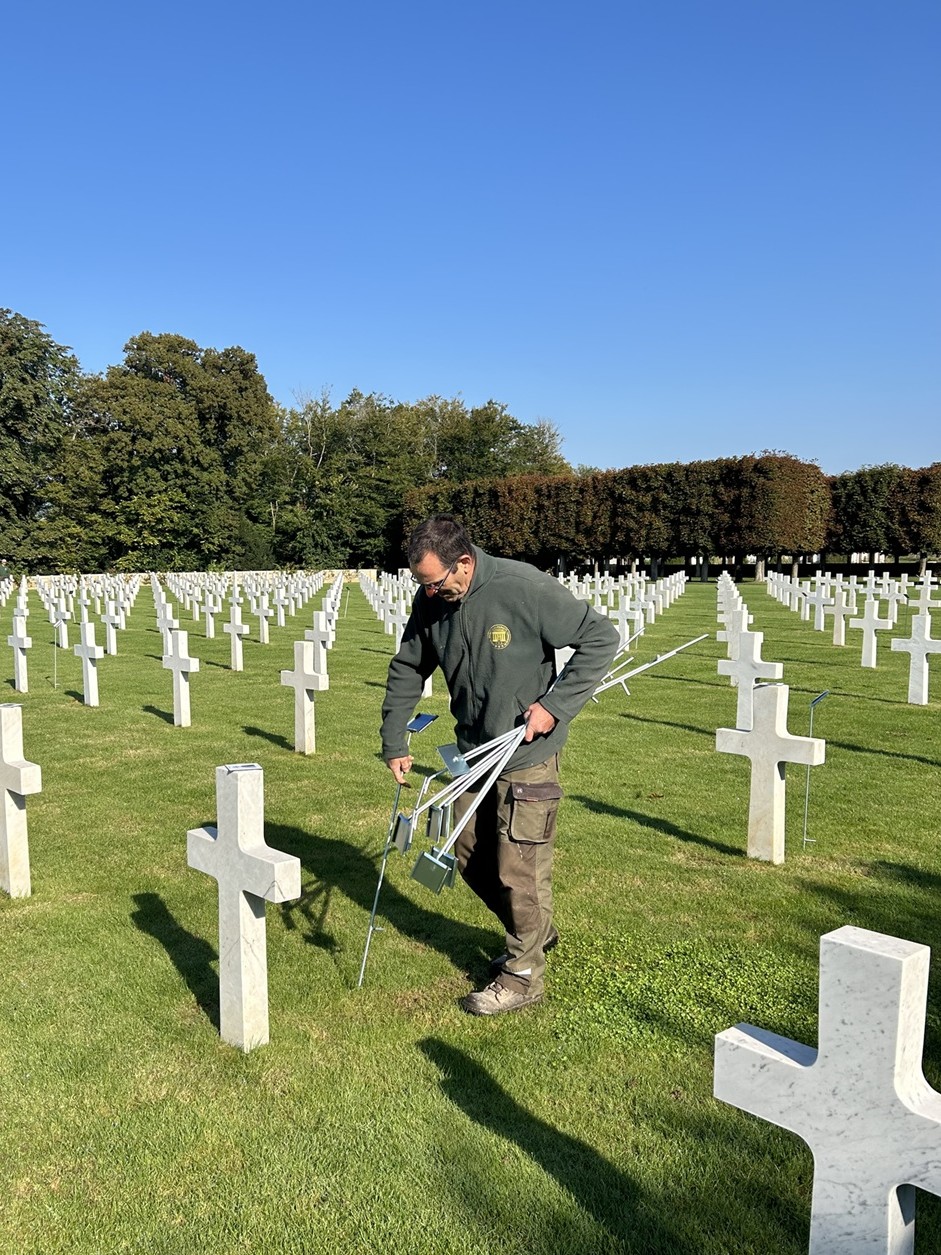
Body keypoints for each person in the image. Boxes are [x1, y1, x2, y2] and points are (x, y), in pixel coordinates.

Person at [380, 515, 619, 1015]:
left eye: (434, 582)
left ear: (463, 563)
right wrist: (395, 738)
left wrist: (555, 705)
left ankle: (523, 975)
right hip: (473, 753)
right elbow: (408, 666)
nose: (427, 593)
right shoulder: (431, 604)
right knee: (467, 852)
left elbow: (601, 637)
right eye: (421, 584)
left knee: (520, 867)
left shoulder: (523, 587)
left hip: (526, 755)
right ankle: (535, 931)